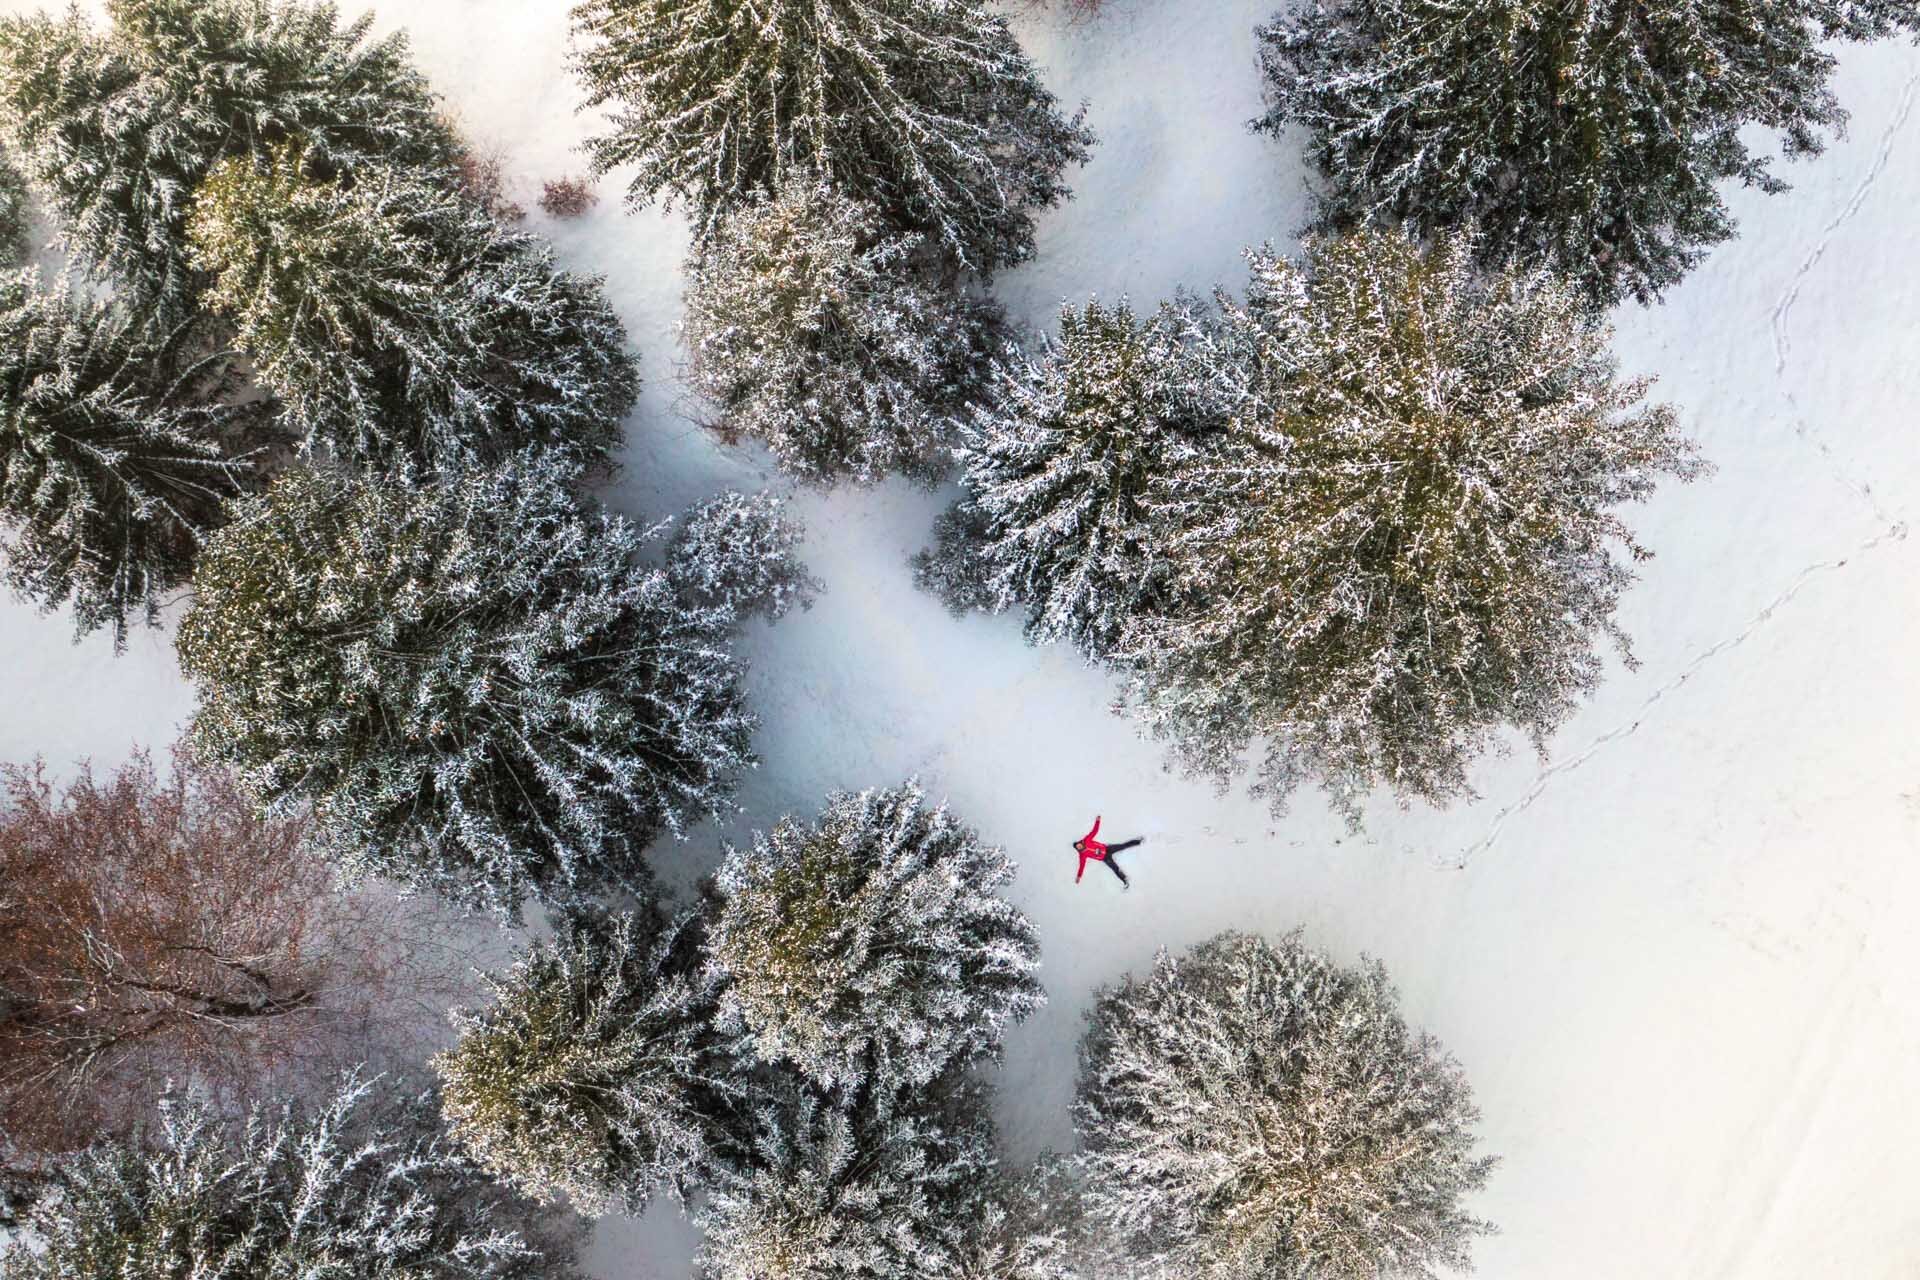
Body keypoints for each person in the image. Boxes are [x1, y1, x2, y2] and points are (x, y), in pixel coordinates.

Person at [1073, 816, 1141, 888]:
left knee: (1122, 846)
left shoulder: (1086, 840)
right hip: (1105, 858)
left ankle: (1138, 841)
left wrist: (1097, 821)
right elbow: (1082, 866)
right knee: (1115, 868)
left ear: (1079, 843)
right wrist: (1079, 876)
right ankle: (1125, 880)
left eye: (1079, 845)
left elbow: (1094, 831)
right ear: (1078, 849)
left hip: (1107, 848)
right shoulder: (1082, 855)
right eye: (1078, 848)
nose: (1079, 846)